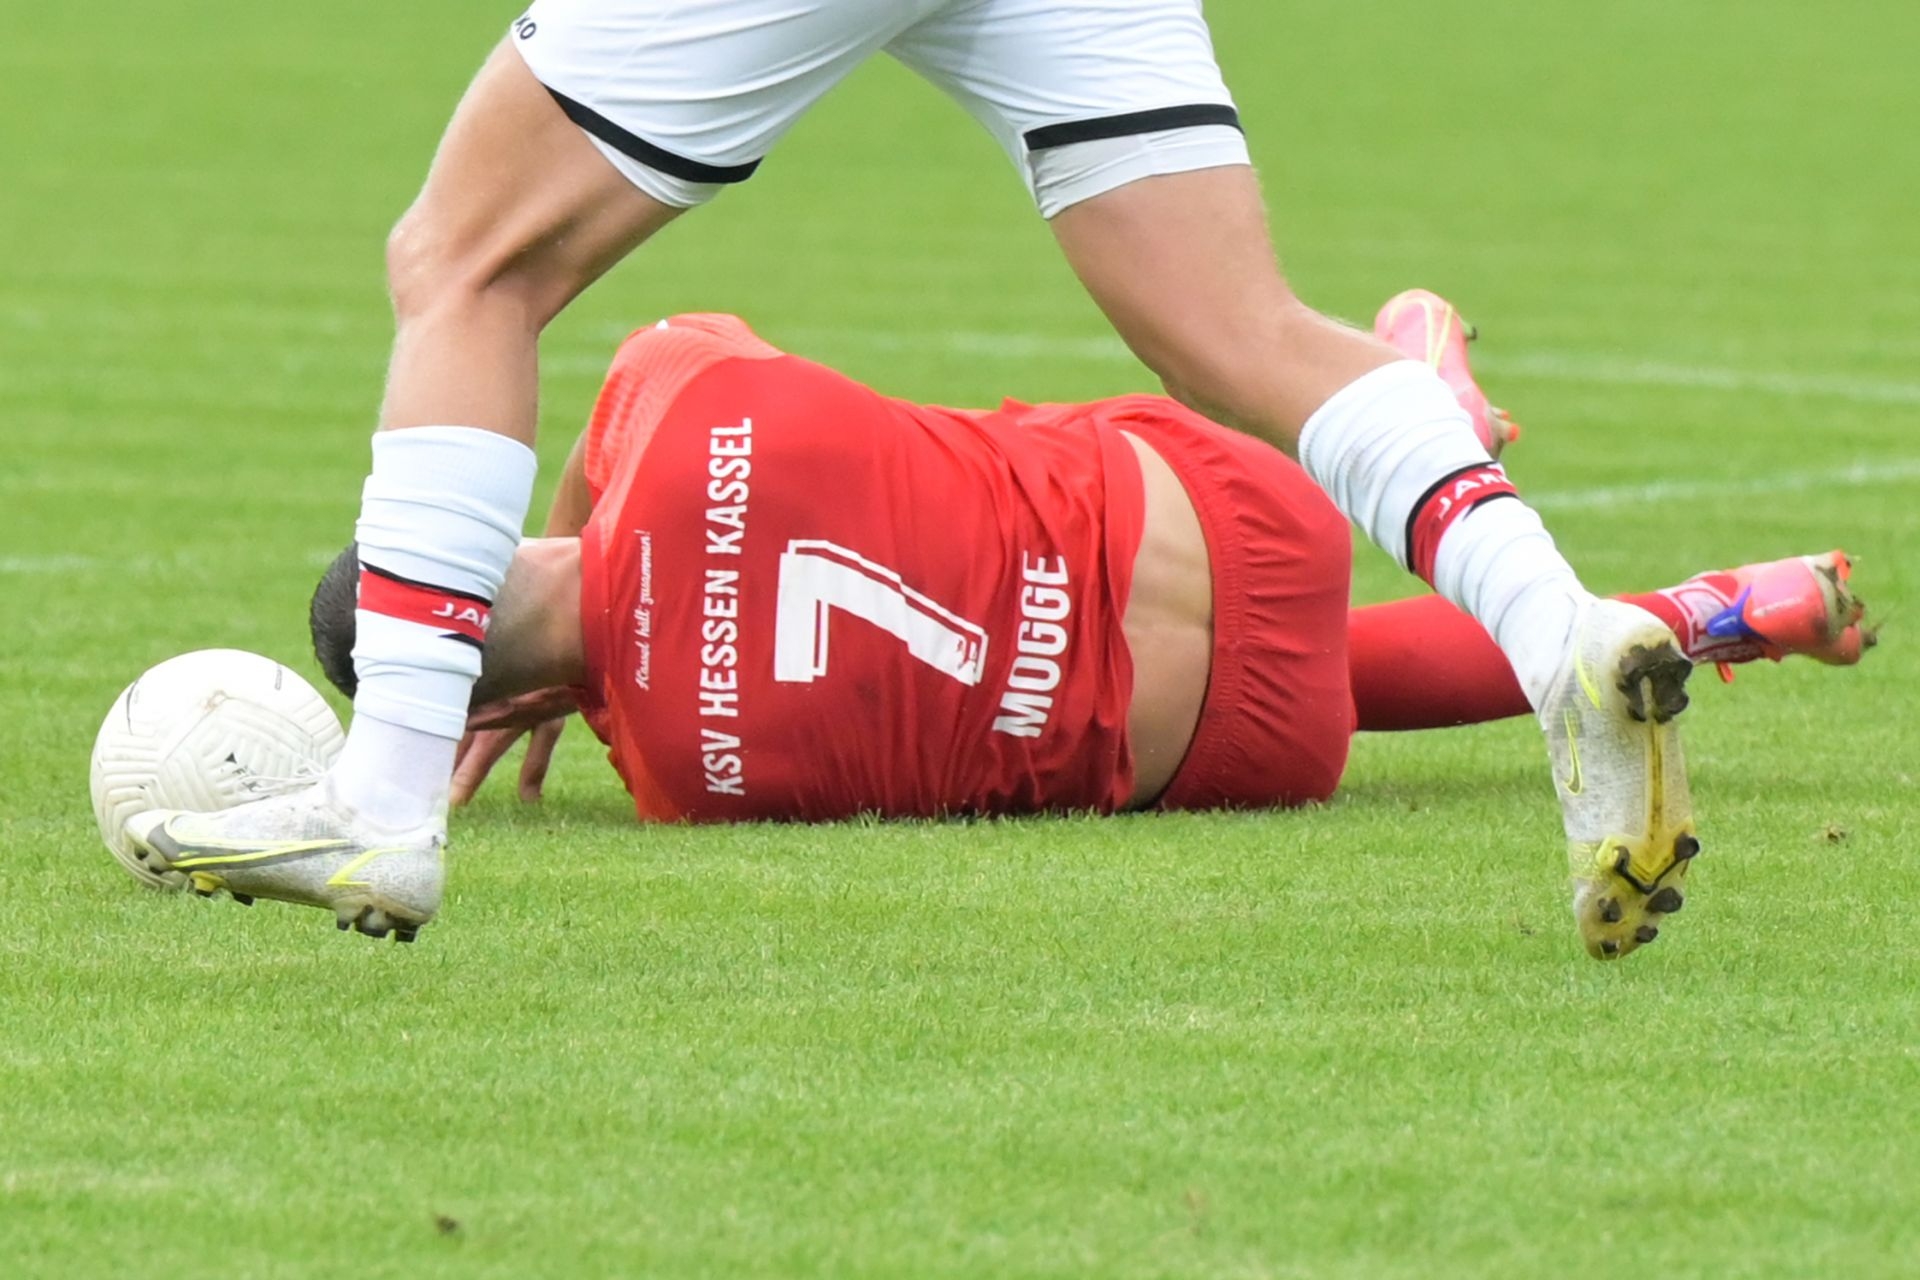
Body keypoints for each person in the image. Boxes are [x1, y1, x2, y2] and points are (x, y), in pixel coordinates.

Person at [126, 2, 1721, 953]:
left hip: (1170, 686)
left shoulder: (674, 763)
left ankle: (386, 796)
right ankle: (1555, 629)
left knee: (465, 261)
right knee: (1239, 334)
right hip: (1195, 588)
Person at [132, 300, 1872, 957]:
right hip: (1237, 508)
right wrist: (603, 523)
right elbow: (676, 354)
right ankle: (1414, 411)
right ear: (481, 530)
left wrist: (587, 684)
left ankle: (1723, 610)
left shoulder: (670, 779)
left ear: (470, 708)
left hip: (1239, 741)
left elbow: (655, 660)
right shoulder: (668, 393)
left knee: (1301, 678)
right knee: (1059, 439)